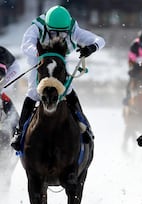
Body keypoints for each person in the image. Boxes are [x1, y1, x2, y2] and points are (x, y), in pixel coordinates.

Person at [11, 5, 105, 151]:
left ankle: (85, 127)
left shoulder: (73, 28)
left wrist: (91, 48)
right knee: (33, 93)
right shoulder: (37, 27)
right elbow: (25, 45)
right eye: (55, 32)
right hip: (39, 65)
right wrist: (40, 53)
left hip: (58, 67)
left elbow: (99, 40)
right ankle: (19, 132)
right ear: (47, 26)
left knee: (68, 92)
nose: (59, 35)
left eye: (63, 32)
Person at [0, 46, 20, 132]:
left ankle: (14, 119)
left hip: (12, 69)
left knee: (1, 90)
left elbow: (1, 74)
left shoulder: (0, 53)